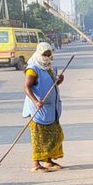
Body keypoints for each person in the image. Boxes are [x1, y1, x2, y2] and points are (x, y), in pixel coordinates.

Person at [23, 41, 65, 172]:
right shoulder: (32, 68)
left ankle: (48, 161)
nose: (46, 57)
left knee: (54, 135)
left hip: (51, 110)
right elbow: (27, 87)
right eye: (44, 54)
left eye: (48, 54)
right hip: (38, 109)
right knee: (39, 136)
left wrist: (59, 80)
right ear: (39, 53)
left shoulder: (49, 67)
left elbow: (53, 85)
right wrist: (36, 101)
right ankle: (36, 165)